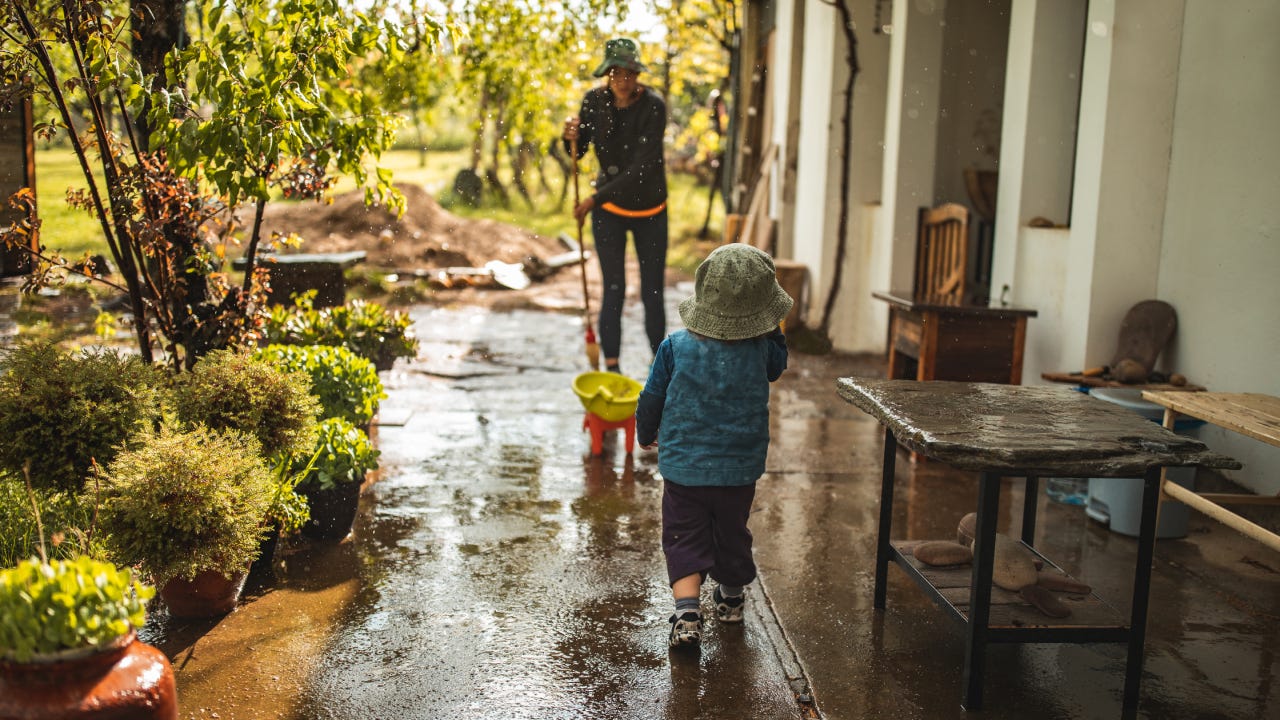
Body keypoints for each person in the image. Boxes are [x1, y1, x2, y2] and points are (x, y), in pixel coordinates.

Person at [635, 243, 793, 649]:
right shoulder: (762, 348)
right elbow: (777, 367)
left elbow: (652, 397)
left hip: (684, 469)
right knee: (731, 532)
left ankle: (687, 614)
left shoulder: (674, 346)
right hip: (739, 469)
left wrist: (645, 432)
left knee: (683, 536)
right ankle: (732, 599)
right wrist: (771, 327)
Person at [562, 38, 669, 375]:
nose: (623, 80)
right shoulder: (593, 102)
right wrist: (570, 138)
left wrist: (595, 199)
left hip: (650, 211)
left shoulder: (654, 106)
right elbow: (578, 154)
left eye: (629, 72)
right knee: (613, 289)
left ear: (638, 74)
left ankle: (659, 366)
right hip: (610, 213)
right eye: (616, 73)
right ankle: (612, 369)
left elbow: (643, 167)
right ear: (607, 74)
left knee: (652, 290)